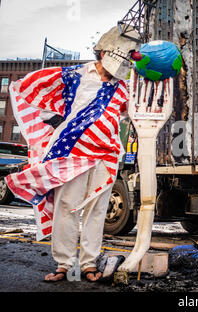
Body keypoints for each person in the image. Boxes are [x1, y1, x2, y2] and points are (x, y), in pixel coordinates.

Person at [6, 26, 139, 281]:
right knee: (66, 208)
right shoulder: (73, 76)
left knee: (96, 210)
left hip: (106, 155)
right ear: (101, 53)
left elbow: (131, 112)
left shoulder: (124, 88)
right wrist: (59, 124)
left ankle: (89, 265)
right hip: (72, 152)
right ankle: (63, 266)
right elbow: (33, 91)